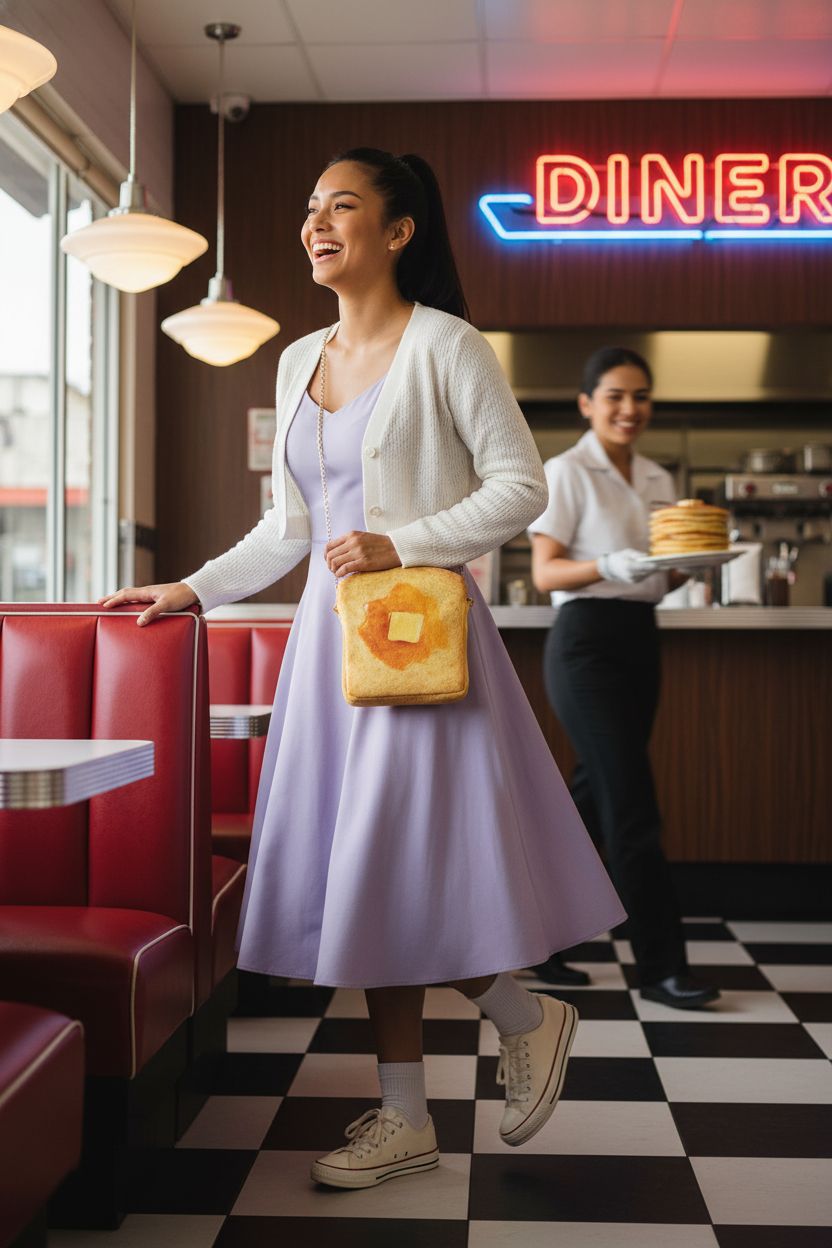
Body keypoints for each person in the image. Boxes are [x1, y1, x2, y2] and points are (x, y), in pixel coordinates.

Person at [101, 149, 626, 1188]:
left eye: (341, 205)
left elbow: (520, 488)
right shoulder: (297, 359)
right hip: (327, 650)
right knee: (366, 876)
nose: (315, 223)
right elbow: (285, 528)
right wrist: (190, 590)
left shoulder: (447, 345)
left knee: (392, 863)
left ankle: (521, 1016)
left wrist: (404, 540)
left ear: (399, 232)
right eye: (308, 207)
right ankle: (408, 1114)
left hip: (420, 645)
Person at [528, 347, 720, 1010]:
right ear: (587, 403)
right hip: (584, 644)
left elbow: (655, 577)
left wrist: (686, 568)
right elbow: (546, 573)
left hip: (639, 640)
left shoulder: (660, 479)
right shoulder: (566, 471)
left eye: (641, 396)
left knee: (593, 797)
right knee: (632, 803)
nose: (629, 409)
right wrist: (611, 561)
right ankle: (663, 966)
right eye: (614, 395)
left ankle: (536, 942)